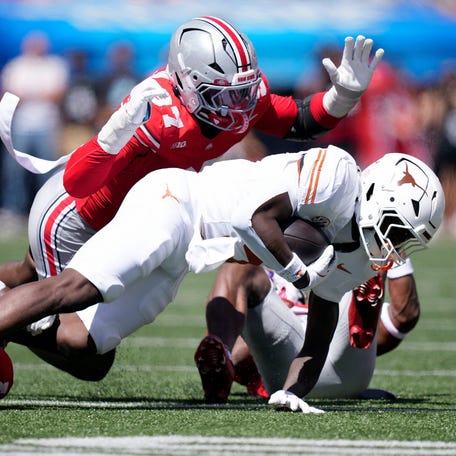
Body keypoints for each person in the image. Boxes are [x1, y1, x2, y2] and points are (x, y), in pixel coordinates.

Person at [0, 16, 384, 379]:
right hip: (78, 218)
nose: (239, 106)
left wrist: (342, 96)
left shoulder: (236, 96)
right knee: (79, 345)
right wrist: (112, 134)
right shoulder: (157, 113)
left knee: (29, 282)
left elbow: (297, 119)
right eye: (224, 96)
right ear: (187, 84)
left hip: (124, 218)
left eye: (241, 92)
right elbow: (78, 181)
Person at [0, 146, 359, 396]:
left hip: (186, 252)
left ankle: (10, 305)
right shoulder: (335, 178)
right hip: (177, 204)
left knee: (86, 350)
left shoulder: (353, 238)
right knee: (76, 289)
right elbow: (249, 219)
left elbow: (319, 333)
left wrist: (293, 393)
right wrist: (299, 272)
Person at [193, 152, 444, 410]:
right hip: (293, 367)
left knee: (367, 260)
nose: (398, 248)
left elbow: (397, 319)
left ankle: (223, 351)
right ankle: (222, 353)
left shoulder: (352, 245)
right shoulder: (310, 199)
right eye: (399, 234)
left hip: (323, 364)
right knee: (243, 265)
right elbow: (403, 316)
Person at [195, 256, 417, 403]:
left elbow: (401, 318)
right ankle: (217, 384)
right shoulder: (258, 240)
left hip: (340, 367)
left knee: (369, 249)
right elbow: (235, 358)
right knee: (239, 264)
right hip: (285, 374)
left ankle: (383, 234)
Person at [0, 30, 69, 222]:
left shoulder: (54, 66)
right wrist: (40, 94)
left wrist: (28, 94)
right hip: (20, 125)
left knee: (47, 170)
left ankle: (46, 210)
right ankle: (13, 210)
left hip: (46, 124)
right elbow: (10, 94)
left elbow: (57, 94)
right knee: (14, 171)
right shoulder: (16, 66)